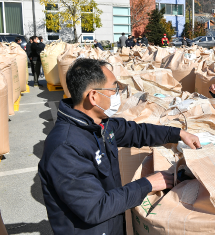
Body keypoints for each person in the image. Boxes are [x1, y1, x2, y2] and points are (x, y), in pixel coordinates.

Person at [38, 58, 201, 234]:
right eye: (114, 88)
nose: (118, 93)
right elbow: (94, 208)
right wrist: (147, 184)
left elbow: (137, 132)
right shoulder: (65, 148)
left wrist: (177, 134)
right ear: (93, 96)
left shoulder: (99, 124)